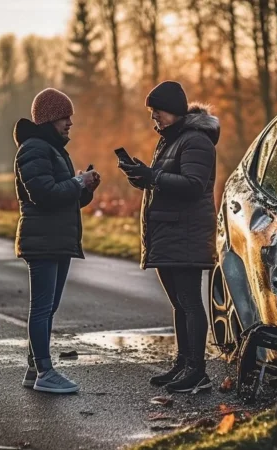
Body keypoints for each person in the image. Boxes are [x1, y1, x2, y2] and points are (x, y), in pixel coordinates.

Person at [118, 81, 219, 394]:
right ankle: (182, 363)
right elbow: (166, 182)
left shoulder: (196, 142)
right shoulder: (170, 141)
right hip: (169, 231)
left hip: (186, 232)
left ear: (173, 111)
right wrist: (143, 178)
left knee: (189, 302)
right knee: (179, 303)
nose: (154, 119)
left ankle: (196, 370)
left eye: (157, 112)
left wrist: (154, 177)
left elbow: (192, 184)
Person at [13, 88, 100, 394]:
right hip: (43, 242)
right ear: (50, 118)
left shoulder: (52, 149)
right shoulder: (33, 149)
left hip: (56, 240)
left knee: (49, 307)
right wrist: (77, 182)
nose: (70, 123)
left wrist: (84, 187)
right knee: (41, 308)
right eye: (65, 117)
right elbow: (45, 195)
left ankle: (34, 368)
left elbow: (64, 197)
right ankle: (45, 372)